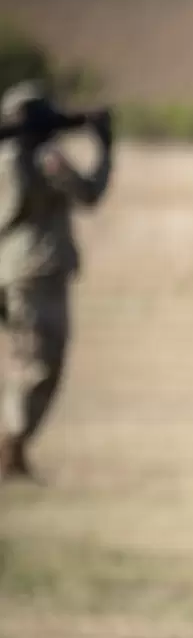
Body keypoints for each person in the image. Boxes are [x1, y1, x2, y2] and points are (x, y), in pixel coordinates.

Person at [0, 81, 115, 482]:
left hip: (11, 274)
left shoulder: (7, 158)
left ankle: (14, 453)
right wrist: (104, 147)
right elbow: (88, 194)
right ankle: (10, 450)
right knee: (39, 365)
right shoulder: (43, 159)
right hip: (38, 273)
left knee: (27, 361)